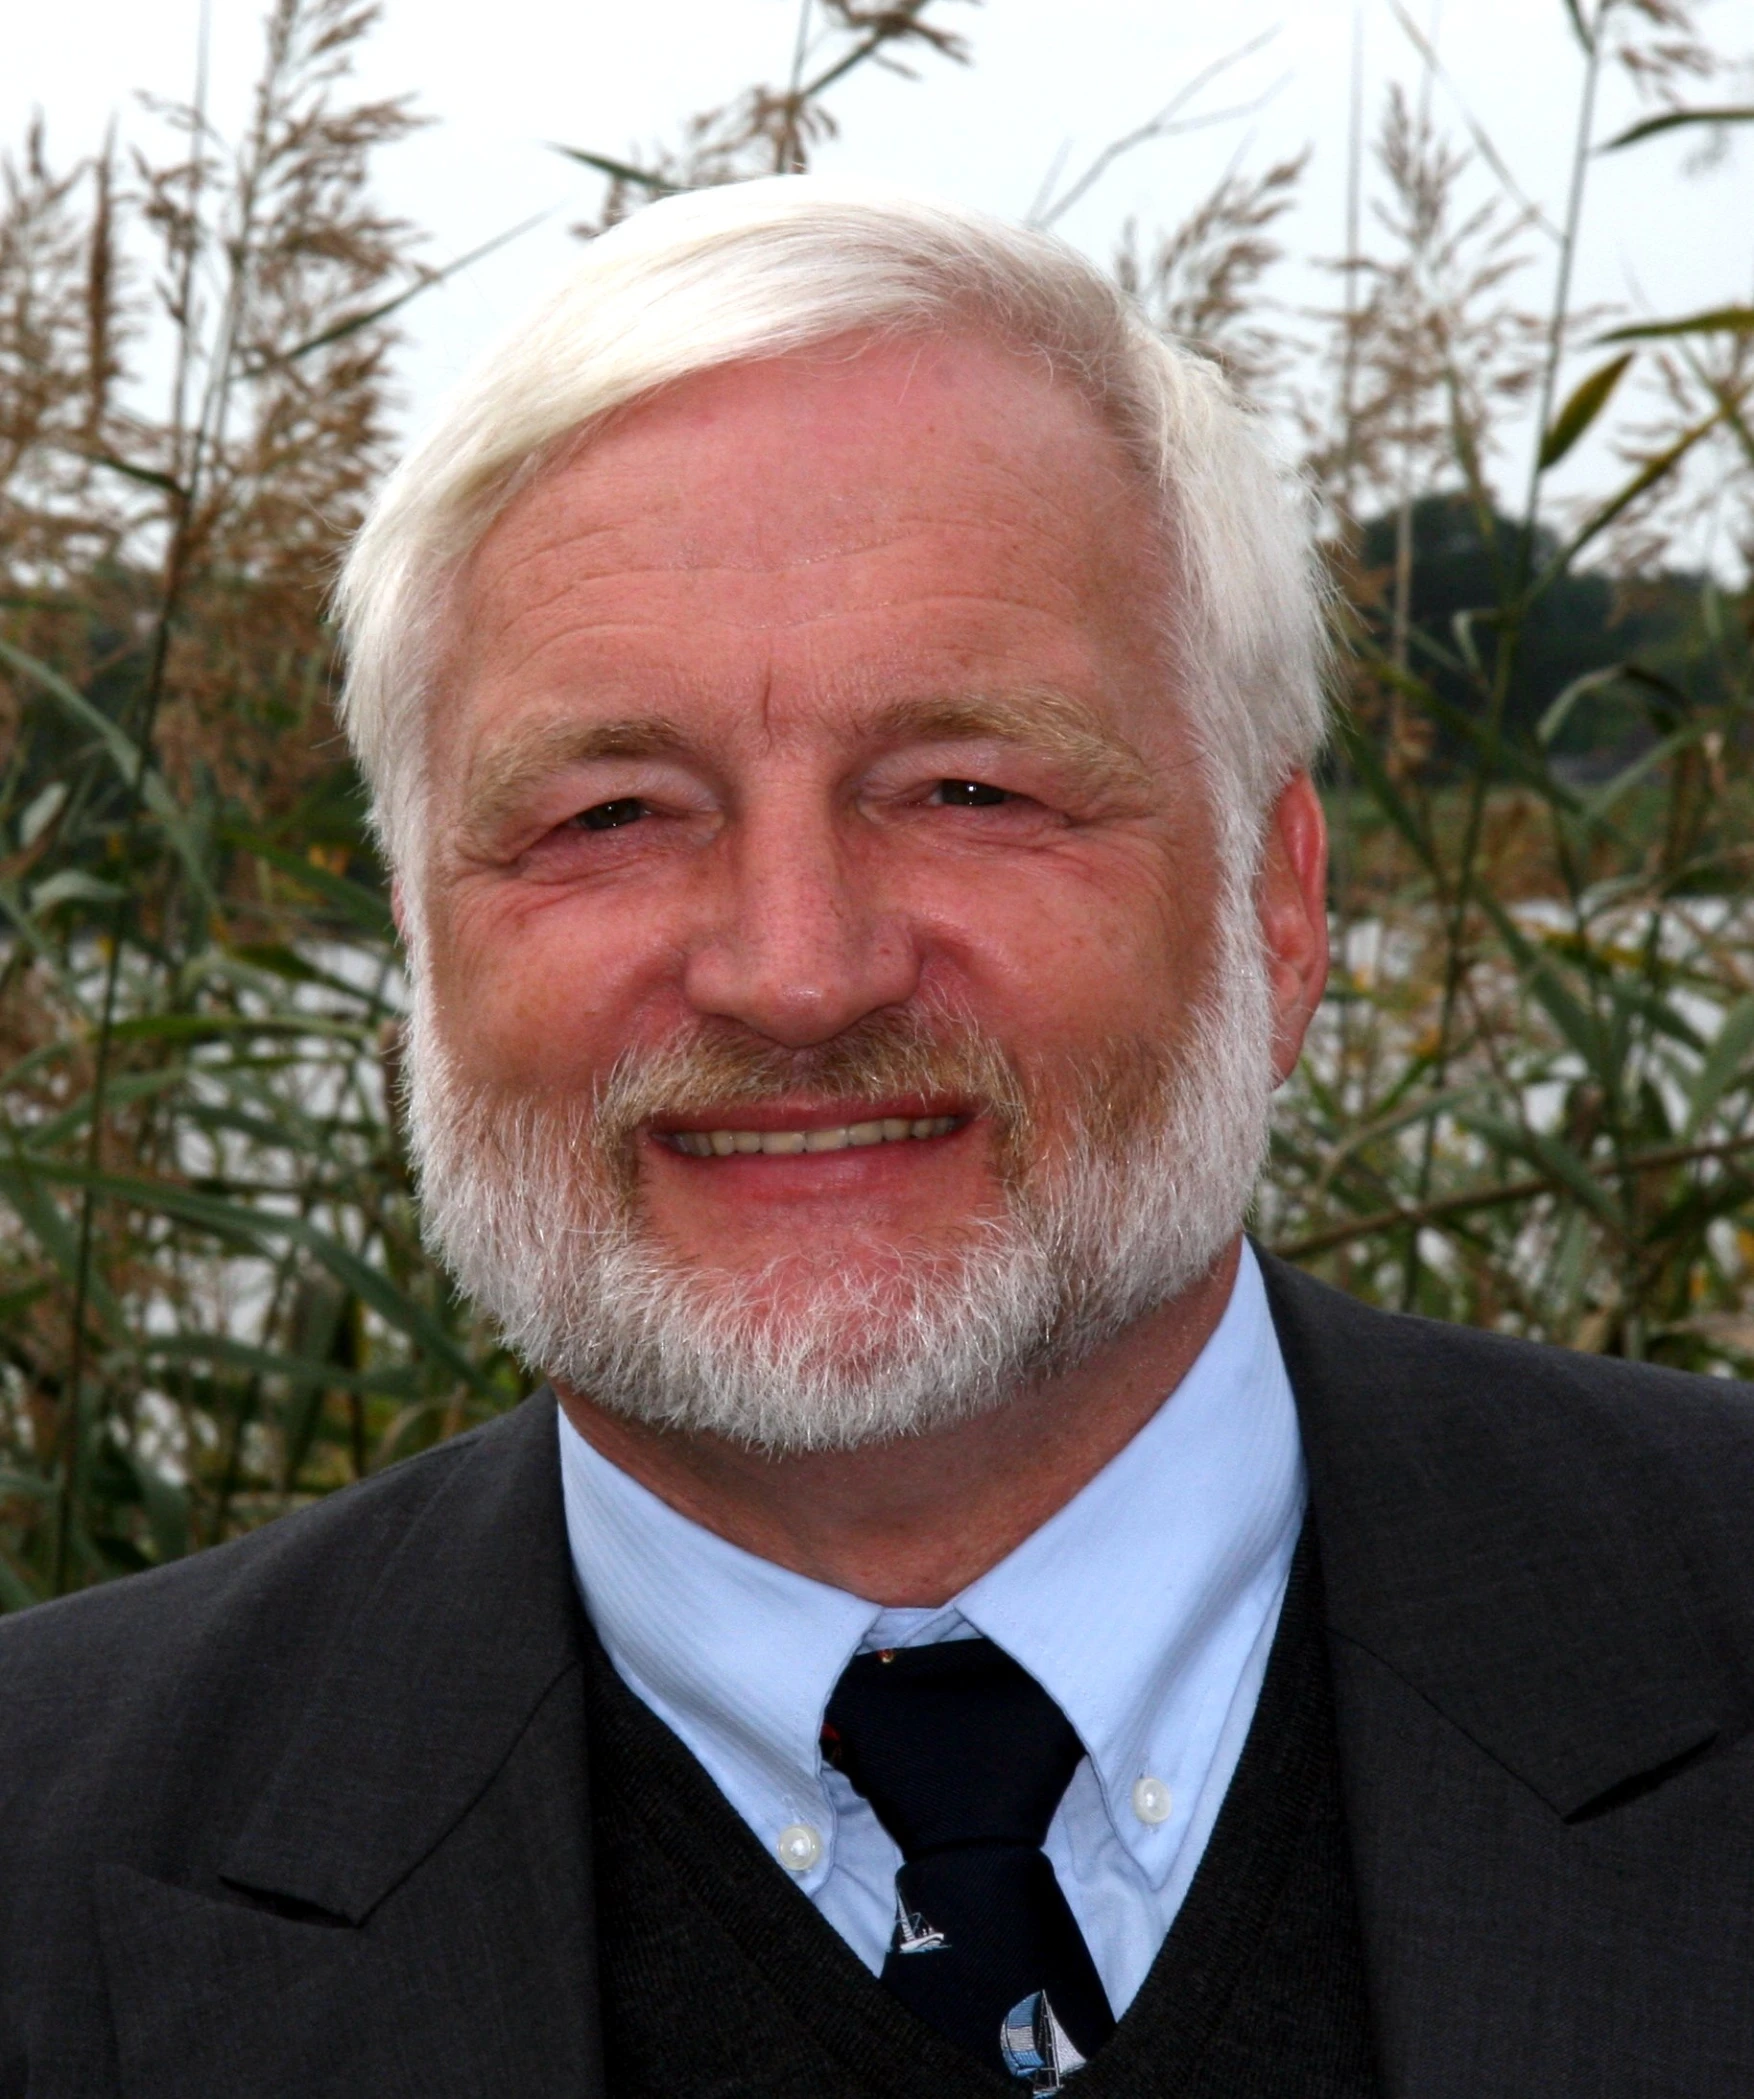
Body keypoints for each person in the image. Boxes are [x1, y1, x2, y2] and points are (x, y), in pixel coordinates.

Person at [4, 179, 1754, 2099]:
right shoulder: (48, 1846)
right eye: (608, 814)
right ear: (421, 935)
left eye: (964, 785)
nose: (796, 970)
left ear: (1276, 894)